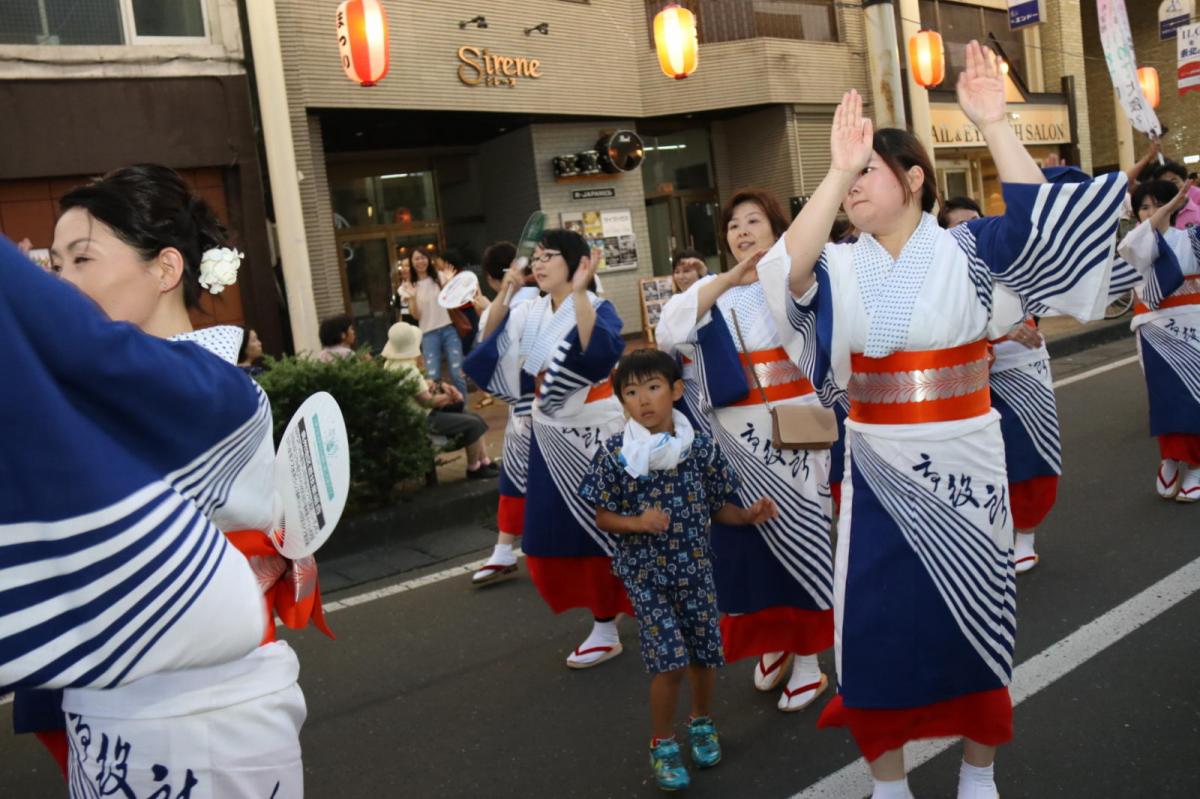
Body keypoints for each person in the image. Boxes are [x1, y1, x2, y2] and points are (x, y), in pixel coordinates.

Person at [757, 43, 1127, 798]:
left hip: (964, 454)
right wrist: (833, 169)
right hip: (877, 465)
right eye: (848, 176)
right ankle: (887, 776)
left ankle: (978, 765)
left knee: (976, 608)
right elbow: (786, 274)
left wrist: (995, 123)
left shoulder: (969, 248)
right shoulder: (835, 262)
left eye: (869, 171)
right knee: (875, 621)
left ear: (916, 179)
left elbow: (1042, 232)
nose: (855, 185)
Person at [6, 164, 330, 795]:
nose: (63, 282)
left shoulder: (221, 392)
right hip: (105, 696)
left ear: (165, 269)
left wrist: (22, 305)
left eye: (82, 260)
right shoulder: (132, 387)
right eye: (54, 265)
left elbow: (88, 357)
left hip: (204, 709)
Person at [655, 187, 836, 713]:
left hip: (790, 437)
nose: (741, 232)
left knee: (799, 540)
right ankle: (774, 640)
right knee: (745, 549)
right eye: (733, 224)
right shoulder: (718, 291)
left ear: (777, 229)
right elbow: (669, 330)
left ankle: (808, 660)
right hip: (729, 445)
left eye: (753, 220)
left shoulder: (796, 280)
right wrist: (724, 281)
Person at [578, 349, 779, 791]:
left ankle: (701, 722)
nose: (644, 400)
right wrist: (638, 522)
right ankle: (663, 742)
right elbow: (602, 517)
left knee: (704, 652)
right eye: (631, 392)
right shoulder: (616, 454)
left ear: (676, 391)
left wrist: (746, 516)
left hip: (696, 568)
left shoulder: (700, 447)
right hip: (645, 574)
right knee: (669, 661)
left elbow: (718, 506)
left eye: (653, 388)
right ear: (622, 403)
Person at [464, 228, 633, 668]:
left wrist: (579, 293)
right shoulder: (530, 310)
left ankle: (606, 626)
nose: (538, 264)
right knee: (552, 533)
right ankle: (610, 616)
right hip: (549, 432)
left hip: (595, 431)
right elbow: (491, 345)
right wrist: (505, 293)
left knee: (601, 529)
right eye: (535, 257)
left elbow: (598, 354)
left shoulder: (598, 306)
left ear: (576, 264)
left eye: (549, 256)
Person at [940, 197, 1062, 573]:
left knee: (1028, 447)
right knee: (979, 456)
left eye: (973, 224)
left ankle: (1025, 530)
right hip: (968, 374)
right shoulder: (941, 275)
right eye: (955, 228)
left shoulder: (1012, 260)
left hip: (1021, 365)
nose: (967, 234)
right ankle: (988, 532)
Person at [1118, 179, 1200, 501]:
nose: (1151, 212)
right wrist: (1164, 211)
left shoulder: (1192, 238)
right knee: (1165, 398)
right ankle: (1170, 456)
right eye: (1144, 207)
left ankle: (1195, 467)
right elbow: (1135, 250)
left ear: (1177, 205)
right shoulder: (1134, 242)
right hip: (1153, 330)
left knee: (1193, 396)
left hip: (1193, 327)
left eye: (1158, 204)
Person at [471, 241, 542, 585]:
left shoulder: (498, 309)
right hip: (561, 404)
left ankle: (504, 550)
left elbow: (485, 352)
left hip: (525, 408)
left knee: (515, 481)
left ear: (490, 277)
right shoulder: (551, 297)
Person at [381, 321, 499, 479]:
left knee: (472, 416)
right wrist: (450, 396)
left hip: (411, 417)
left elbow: (417, 389)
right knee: (473, 423)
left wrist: (433, 385)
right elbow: (428, 402)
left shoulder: (390, 364)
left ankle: (484, 460)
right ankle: (474, 468)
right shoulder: (408, 369)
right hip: (423, 419)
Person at [403, 246, 468, 397]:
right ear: (412, 262)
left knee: (457, 373)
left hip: (448, 330)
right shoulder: (410, 286)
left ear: (429, 259)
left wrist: (450, 283)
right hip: (428, 334)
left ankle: (464, 410)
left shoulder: (440, 277)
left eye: (423, 257)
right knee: (433, 377)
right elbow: (416, 316)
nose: (421, 261)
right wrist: (412, 296)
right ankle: (440, 412)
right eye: (416, 258)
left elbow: (452, 300)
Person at [1152, 161, 1200, 229]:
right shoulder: (1153, 215)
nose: (1169, 187)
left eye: (1174, 181)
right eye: (1164, 183)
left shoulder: (1197, 213)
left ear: (1185, 182)